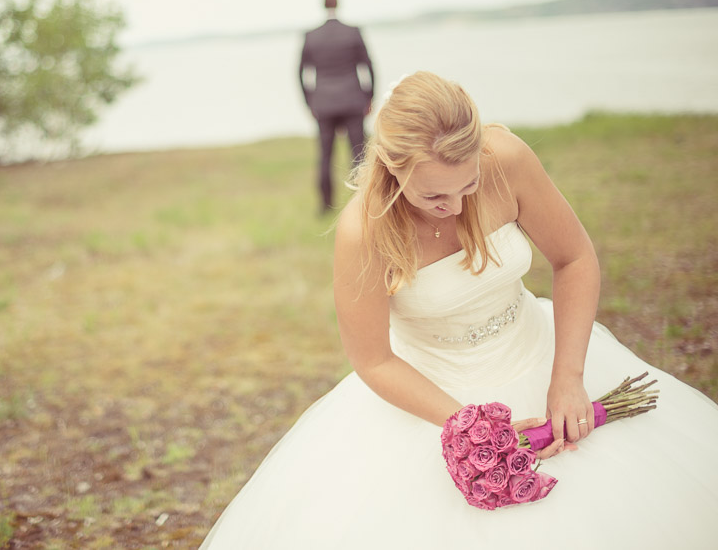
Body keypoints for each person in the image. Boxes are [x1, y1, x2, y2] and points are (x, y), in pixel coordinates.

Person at [201, 71, 718, 548]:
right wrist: (473, 429)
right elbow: (374, 361)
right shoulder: (365, 229)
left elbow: (575, 258)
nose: (456, 205)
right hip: (433, 397)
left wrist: (568, 376)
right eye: (434, 195)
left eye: (468, 185)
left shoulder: (506, 159)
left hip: (540, 355)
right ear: (391, 166)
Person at [299, 0, 375, 213]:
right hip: (353, 100)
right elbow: (368, 66)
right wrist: (368, 97)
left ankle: (325, 206)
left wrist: (310, 101)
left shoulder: (311, 36)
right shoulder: (353, 32)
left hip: (323, 104)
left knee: (324, 156)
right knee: (359, 155)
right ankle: (366, 202)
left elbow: (301, 73)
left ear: (322, 4)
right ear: (338, 3)